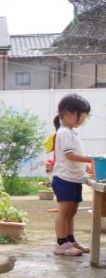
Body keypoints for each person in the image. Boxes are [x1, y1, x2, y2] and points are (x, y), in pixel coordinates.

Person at [51, 94, 94, 257]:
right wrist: (91, 160)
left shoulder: (72, 133)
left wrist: (89, 168)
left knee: (72, 212)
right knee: (64, 211)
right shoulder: (64, 132)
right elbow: (69, 155)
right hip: (64, 179)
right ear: (68, 113)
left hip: (74, 179)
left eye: (84, 116)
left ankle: (70, 240)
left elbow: (76, 158)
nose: (82, 119)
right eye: (80, 115)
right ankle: (61, 243)